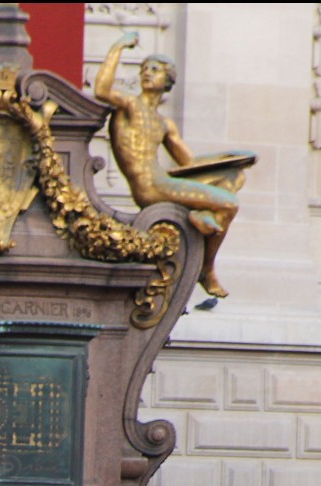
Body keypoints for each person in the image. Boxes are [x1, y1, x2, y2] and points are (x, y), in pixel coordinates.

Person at [93, 33, 248, 299]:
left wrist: (227, 159)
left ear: (168, 81)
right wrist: (117, 47)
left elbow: (190, 165)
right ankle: (206, 269)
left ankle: (205, 216)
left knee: (236, 175)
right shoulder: (131, 106)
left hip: (163, 181)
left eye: (155, 69)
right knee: (229, 204)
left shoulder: (165, 124)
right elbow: (101, 90)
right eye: (144, 69)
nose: (147, 73)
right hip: (150, 186)